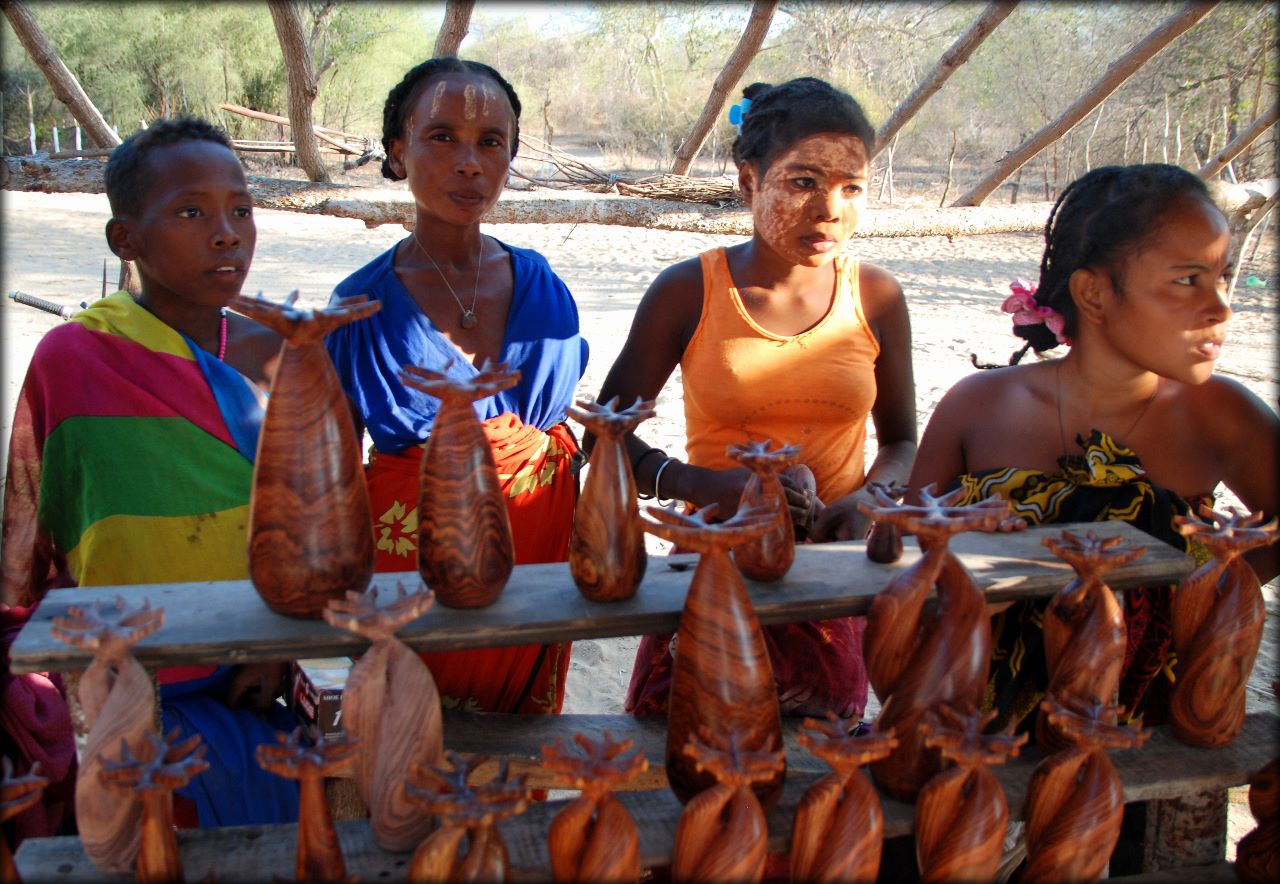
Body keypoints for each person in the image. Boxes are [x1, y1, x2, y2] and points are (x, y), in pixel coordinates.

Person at [1, 117, 300, 832]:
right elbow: (33, 526)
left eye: (241, 209)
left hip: (255, 674)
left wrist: (279, 645)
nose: (227, 233)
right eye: (191, 212)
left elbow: (307, 520)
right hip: (124, 672)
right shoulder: (71, 360)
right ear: (125, 239)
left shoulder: (279, 349)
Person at [909, 163, 1279, 736]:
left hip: (1147, 726)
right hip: (972, 720)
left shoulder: (1222, 416)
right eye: (1187, 281)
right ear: (1094, 293)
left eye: (1224, 278)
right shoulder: (978, 407)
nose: (1222, 308)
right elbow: (908, 564)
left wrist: (1202, 594)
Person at [596, 78, 917, 721]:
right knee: (683, 761)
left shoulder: (875, 297)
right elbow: (606, 433)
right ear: (748, 181)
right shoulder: (690, 291)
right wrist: (707, 486)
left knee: (816, 778)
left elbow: (903, 442)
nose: (830, 209)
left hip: (830, 575)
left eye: (851, 187)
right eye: (802, 182)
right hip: (713, 563)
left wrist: (864, 503)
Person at [324, 57, 588, 715]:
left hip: (535, 566)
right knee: (404, 767)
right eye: (441, 136)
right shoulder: (357, 307)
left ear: (510, 157)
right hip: (407, 581)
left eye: (490, 142)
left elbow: (575, 430)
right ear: (397, 153)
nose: (468, 162)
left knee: (512, 774)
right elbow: (331, 478)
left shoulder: (543, 289)